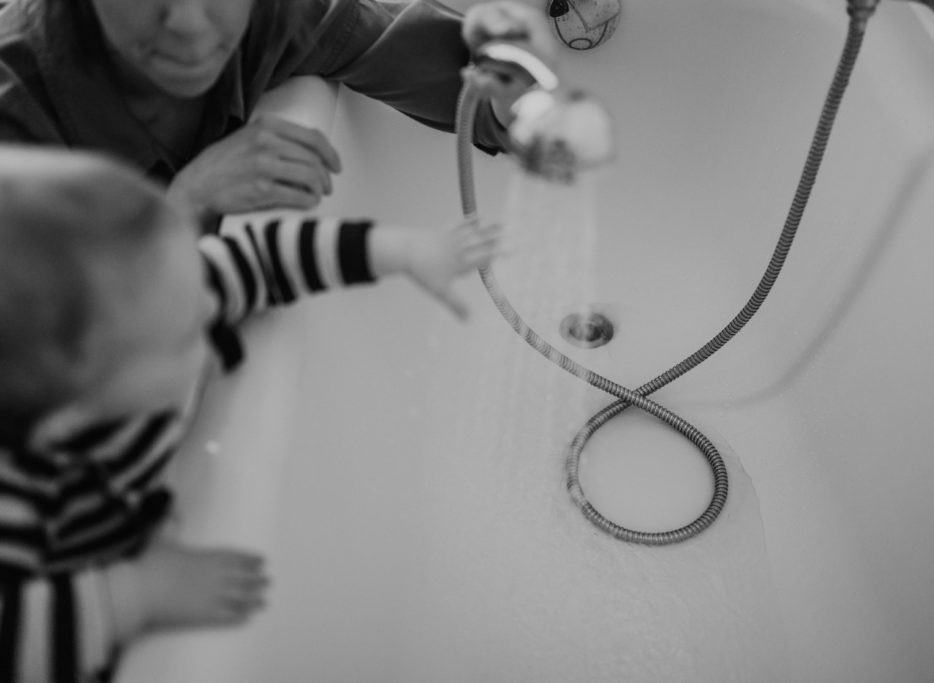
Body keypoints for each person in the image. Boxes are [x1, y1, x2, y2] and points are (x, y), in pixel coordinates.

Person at [0, 145, 503, 681]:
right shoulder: (18, 494)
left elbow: (259, 258)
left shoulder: (154, 307)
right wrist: (136, 594)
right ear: (72, 417)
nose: (213, 308)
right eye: (186, 335)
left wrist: (401, 251)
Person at [0, 0, 555, 231]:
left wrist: (514, 99)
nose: (190, 26)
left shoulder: (269, 12)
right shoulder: (15, 116)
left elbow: (396, 48)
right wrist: (183, 207)